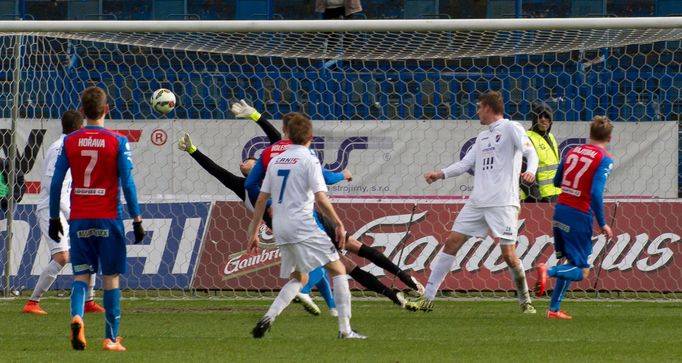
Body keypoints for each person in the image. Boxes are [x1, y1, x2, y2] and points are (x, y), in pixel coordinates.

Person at [178, 100, 343, 316]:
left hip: (294, 219)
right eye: (243, 163)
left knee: (314, 263)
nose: (245, 163)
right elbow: (216, 171)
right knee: (317, 261)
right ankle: (305, 292)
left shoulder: (272, 170)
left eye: (250, 160)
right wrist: (193, 150)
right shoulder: (241, 186)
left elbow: (278, 142)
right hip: (287, 223)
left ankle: (330, 307)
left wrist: (256, 117)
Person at [245, 110, 424, 305]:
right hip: (310, 218)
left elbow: (249, 185)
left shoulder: (270, 153)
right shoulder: (305, 152)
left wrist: (270, 204)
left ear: (283, 130)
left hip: (286, 220)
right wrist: (343, 174)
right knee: (354, 249)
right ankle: (406, 280)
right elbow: (327, 179)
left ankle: (393, 297)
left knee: (344, 265)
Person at [406, 91, 539, 314]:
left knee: (508, 254)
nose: (477, 111)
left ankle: (526, 301)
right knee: (452, 242)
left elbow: (530, 152)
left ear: (487, 107)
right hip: (477, 202)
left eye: (479, 107)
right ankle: (427, 298)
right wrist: (440, 174)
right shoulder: (482, 137)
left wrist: (531, 171)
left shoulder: (511, 128)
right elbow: (465, 163)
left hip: (503, 202)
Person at [246, 112, 365, 339]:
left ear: (287, 135)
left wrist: (253, 231)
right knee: (338, 269)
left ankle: (268, 318)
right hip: (303, 224)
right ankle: (345, 330)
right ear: (311, 136)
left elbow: (261, 199)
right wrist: (339, 223)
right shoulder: (309, 159)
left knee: (299, 277)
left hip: (280, 226)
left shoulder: (275, 160)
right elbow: (321, 197)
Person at [49, 86, 145, 351]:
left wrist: (53, 218)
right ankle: (111, 339)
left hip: (79, 219)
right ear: (107, 109)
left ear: (82, 111)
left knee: (81, 277)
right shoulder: (118, 141)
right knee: (111, 277)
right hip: (108, 218)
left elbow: (57, 182)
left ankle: (77, 317)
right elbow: (128, 183)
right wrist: (137, 218)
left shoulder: (70, 141)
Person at [23, 110, 105, 315]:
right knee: (62, 257)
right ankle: (33, 302)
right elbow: (53, 186)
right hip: (51, 209)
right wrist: (70, 213)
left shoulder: (70, 146)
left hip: (68, 208)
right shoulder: (60, 148)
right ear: (80, 128)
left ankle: (89, 301)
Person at [535, 116, 614, 319]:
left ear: (590, 134)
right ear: (610, 138)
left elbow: (557, 180)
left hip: (560, 209)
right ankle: (548, 271)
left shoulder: (572, 151)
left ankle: (553, 310)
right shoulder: (604, 159)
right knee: (582, 271)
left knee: (569, 262)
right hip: (579, 214)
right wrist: (603, 223)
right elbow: (596, 193)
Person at [521, 101, 561, 203]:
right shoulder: (527, 138)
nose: (543, 119)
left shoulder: (551, 137)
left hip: (555, 194)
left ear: (551, 120)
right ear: (535, 119)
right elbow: (523, 170)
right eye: (540, 116)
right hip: (539, 198)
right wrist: (535, 197)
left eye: (546, 116)